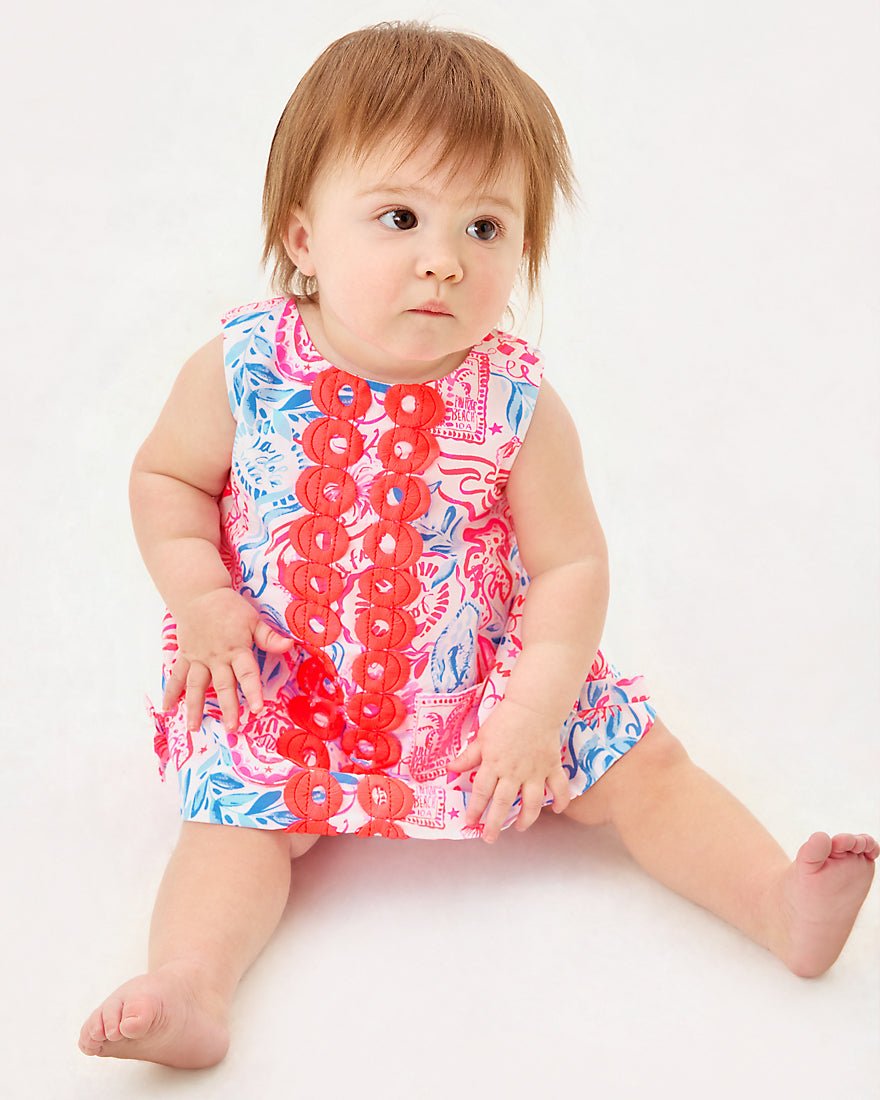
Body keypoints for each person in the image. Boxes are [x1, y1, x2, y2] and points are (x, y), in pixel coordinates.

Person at [78, 20, 877, 1070]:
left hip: (479, 689)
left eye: (487, 227)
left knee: (647, 765)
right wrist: (201, 597)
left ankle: (774, 901)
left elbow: (569, 565)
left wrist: (535, 710)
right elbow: (168, 481)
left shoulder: (516, 404)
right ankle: (191, 982)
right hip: (287, 678)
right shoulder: (240, 368)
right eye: (400, 217)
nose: (443, 261)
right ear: (304, 236)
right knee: (231, 821)